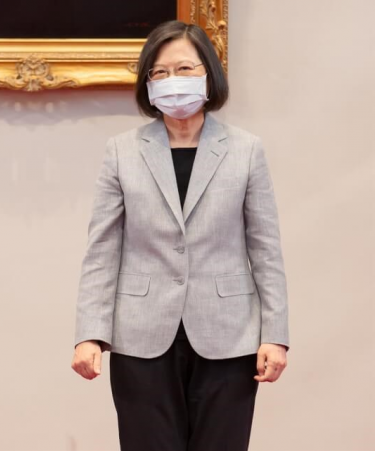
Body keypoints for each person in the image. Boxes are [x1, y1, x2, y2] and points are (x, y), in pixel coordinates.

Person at [71, 20, 289, 451]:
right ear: (147, 83)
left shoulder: (246, 150)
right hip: (141, 336)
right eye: (160, 72)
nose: (173, 81)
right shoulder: (122, 151)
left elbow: (265, 249)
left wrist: (275, 335)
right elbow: (102, 250)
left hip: (230, 337)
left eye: (185, 69)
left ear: (209, 73)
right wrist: (88, 333)